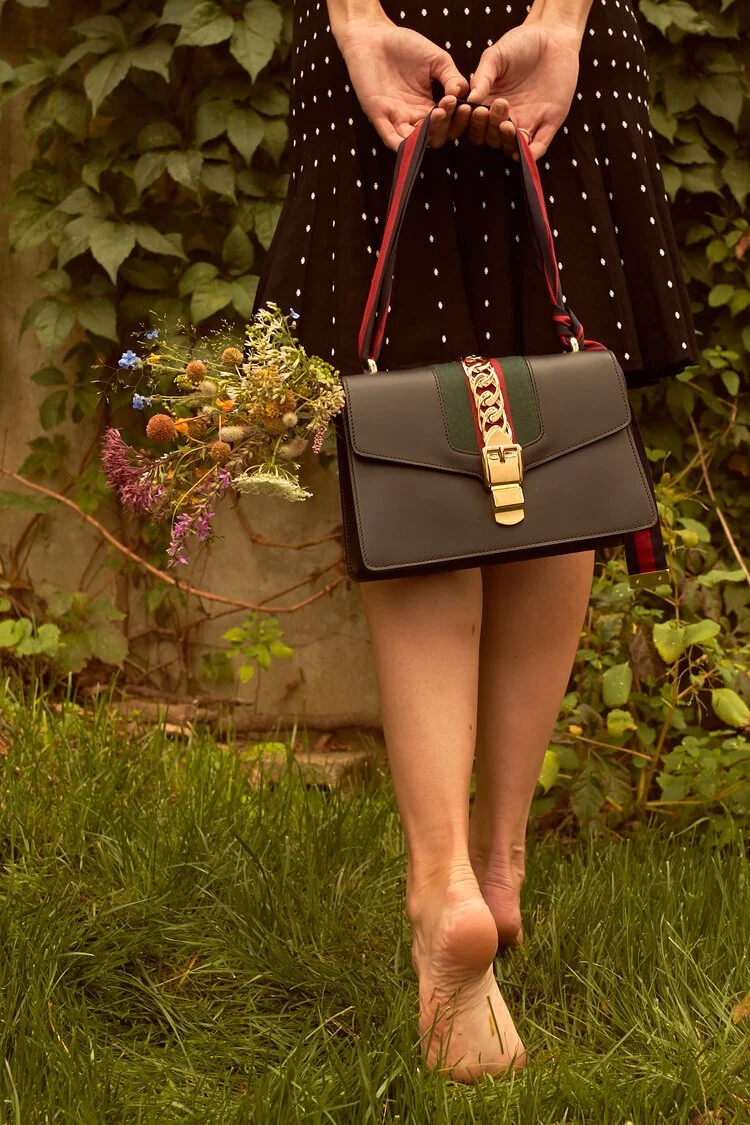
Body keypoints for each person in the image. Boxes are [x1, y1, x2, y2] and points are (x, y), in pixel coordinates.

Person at [253, 0, 698, 1082]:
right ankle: (500, 867)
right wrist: (561, 18)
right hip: (554, 44)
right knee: (553, 426)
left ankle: (444, 884)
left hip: (391, 32)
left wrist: (357, 22)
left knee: (411, 411)